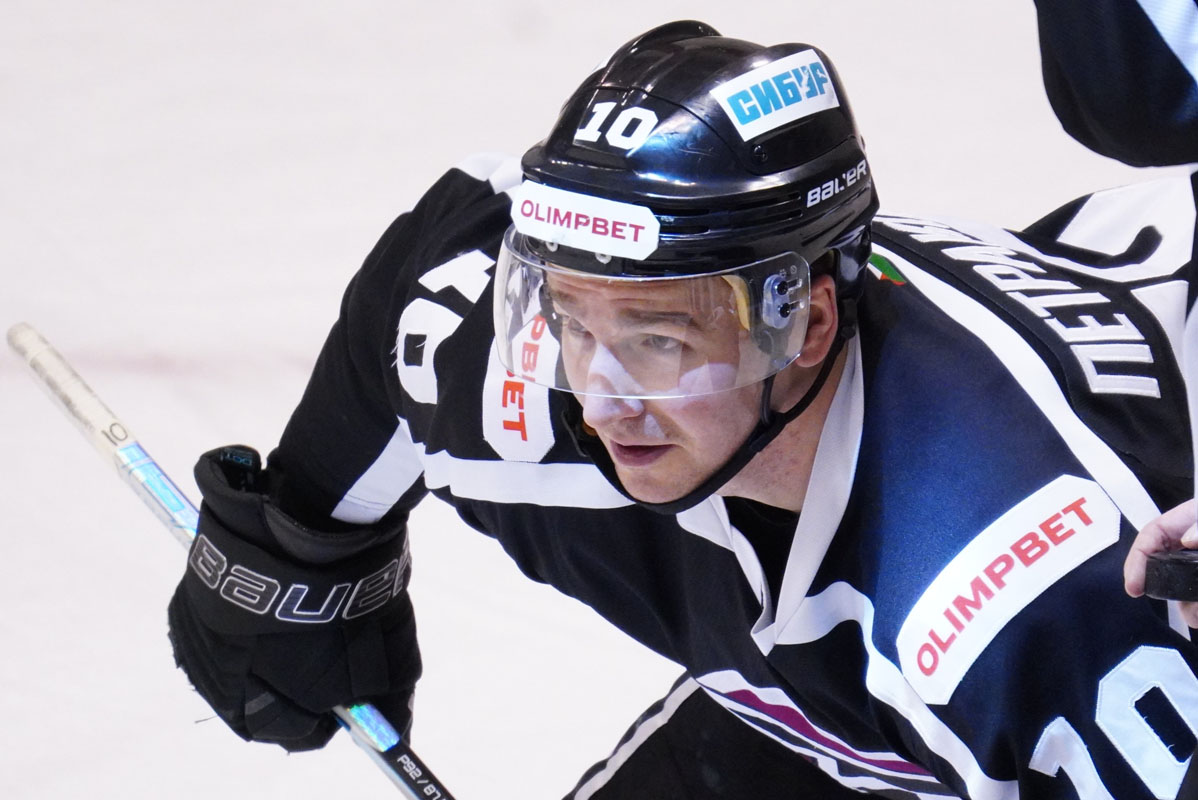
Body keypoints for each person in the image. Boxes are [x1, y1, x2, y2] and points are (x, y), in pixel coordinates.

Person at [166, 3, 1198, 798]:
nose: (604, 400)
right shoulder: (552, 376)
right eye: (572, 318)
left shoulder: (1032, 606)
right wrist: (306, 539)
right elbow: (437, 263)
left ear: (808, 323)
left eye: (660, 339)